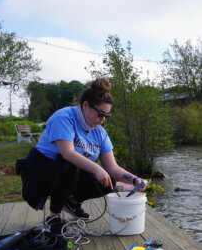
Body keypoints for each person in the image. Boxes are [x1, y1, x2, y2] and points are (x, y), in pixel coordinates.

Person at [16, 77, 145, 232]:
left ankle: (72, 202)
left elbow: (112, 167)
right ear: (85, 105)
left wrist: (134, 180)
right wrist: (97, 169)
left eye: (107, 116)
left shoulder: (100, 133)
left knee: (108, 181)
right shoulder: (63, 117)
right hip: (39, 173)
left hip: (67, 174)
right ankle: (53, 217)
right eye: (100, 114)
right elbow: (68, 153)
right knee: (70, 166)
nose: (103, 119)